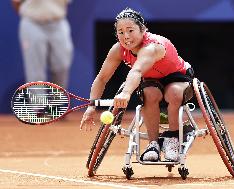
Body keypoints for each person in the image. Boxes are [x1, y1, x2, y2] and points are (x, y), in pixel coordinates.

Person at [80, 8, 194, 162]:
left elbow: (137, 70)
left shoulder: (152, 47)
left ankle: (172, 139)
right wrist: (91, 106)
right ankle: (153, 144)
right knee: (150, 94)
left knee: (173, 93)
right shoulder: (118, 50)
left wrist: (126, 93)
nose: (126, 36)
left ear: (143, 30)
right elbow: (101, 78)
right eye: (120, 32)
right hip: (151, 80)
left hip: (177, 76)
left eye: (130, 30)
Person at [11, 0, 73, 88]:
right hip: (33, 24)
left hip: (59, 22)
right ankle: (38, 102)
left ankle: (58, 101)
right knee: (35, 75)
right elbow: (16, 2)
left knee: (62, 66)